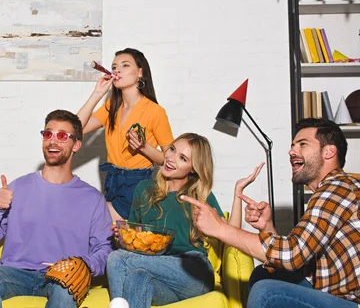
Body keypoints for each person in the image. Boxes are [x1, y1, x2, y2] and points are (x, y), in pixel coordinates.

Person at [182, 118, 359, 308]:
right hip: (331, 296)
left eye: (303, 144)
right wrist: (267, 227)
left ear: (329, 151)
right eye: (292, 146)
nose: (292, 151)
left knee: (267, 293)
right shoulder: (329, 192)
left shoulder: (337, 188)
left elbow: (292, 255)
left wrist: (220, 228)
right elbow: (300, 264)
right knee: (263, 274)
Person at [0, 109, 113, 308]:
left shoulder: (93, 199)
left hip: (61, 278)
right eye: (48, 134)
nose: (53, 141)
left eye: (62, 136)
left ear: (76, 145)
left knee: (67, 290)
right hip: (16, 273)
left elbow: (104, 250)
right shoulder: (16, 188)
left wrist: (83, 264)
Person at [106, 133, 261, 308]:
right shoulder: (144, 190)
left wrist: (237, 193)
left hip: (193, 272)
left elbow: (231, 233)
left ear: (193, 168)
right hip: (157, 270)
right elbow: (138, 239)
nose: (171, 158)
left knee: (117, 259)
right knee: (137, 278)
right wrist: (125, 234)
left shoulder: (199, 197)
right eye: (172, 149)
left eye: (182, 158)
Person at [78, 48, 174, 222]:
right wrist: (97, 94)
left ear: (140, 72)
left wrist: (144, 147)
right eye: (114, 66)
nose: (117, 70)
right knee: (111, 237)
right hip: (112, 180)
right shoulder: (111, 107)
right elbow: (76, 128)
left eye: (125, 65)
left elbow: (169, 160)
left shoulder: (155, 111)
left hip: (137, 184)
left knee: (90, 220)